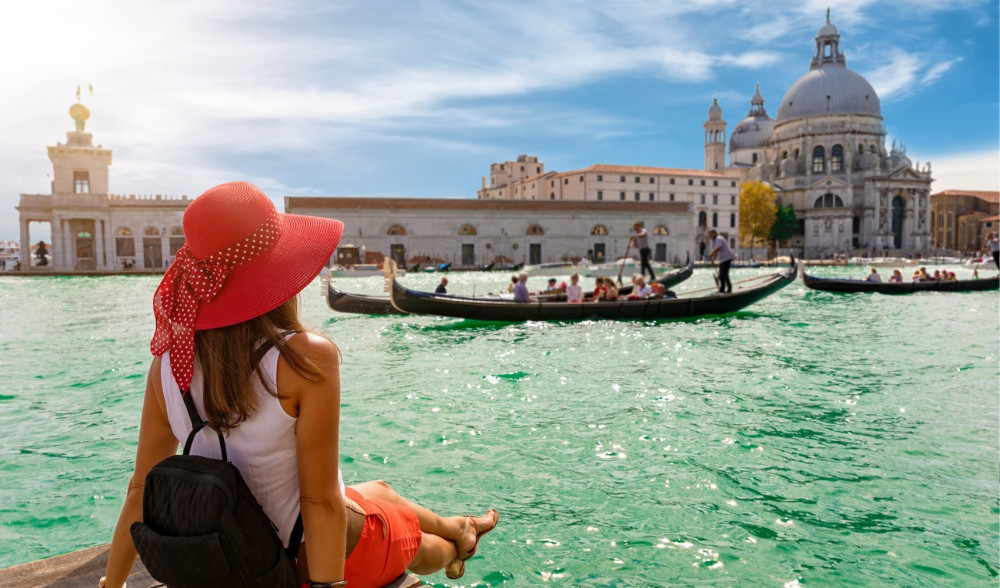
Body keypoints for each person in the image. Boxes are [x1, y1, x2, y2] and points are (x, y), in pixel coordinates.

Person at [100, 183, 498, 588]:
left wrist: (111, 585)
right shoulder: (305, 358)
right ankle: (456, 547)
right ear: (277, 271)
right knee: (413, 539)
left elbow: (138, 490)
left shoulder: (166, 363)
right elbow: (320, 503)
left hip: (229, 552)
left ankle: (459, 524)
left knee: (380, 489)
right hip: (300, 564)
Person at [707, 229, 734, 294]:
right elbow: (716, 251)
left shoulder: (719, 239)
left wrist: (711, 253)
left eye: (710, 235)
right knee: (721, 275)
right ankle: (722, 289)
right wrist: (713, 260)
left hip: (727, 258)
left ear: (713, 234)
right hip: (723, 259)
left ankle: (729, 289)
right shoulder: (715, 241)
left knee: (724, 274)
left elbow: (719, 248)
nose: (709, 236)